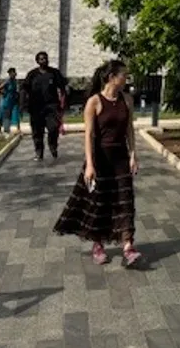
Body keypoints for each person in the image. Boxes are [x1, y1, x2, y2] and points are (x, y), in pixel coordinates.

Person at [53, 60, 142, 267]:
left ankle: (128, 246)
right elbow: (89, 135)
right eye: (123, 75)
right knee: (100, 202)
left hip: (120, 158)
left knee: (125, 201)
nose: (126, 79)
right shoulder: (94, 101)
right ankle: (98, 244)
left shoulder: (126, 99)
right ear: (112, 77)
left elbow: (129, 128)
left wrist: (132, 154)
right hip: (100, 158)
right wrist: (90, 164)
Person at [23, 51, 68, 161]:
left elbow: (63, 87)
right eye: (41, 59)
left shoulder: (54, 73)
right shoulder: (32, 74)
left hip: (52, 107)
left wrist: (64, 102)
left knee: (53, 129)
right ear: (37, 61)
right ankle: (39, 153)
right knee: (37, 132)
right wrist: (24, 104)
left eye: (45, 58)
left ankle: (53, 147)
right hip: (36, 108)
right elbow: (25, 90)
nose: (44, 60)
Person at [0, 67, 21, 138]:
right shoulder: (7, 81)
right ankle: (2, 131)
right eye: (12, 73)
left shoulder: (15, 82)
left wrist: (17, 96)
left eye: (14, 72)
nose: (14, 74)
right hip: (6, 102)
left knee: (15, 115)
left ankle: (18, 130)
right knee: (4, 116)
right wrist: (4, 93)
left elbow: (16, 91)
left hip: (13, 102)